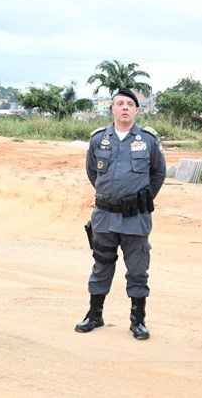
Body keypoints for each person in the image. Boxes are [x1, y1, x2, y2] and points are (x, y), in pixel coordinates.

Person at [75, 88, 166, 340]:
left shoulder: (147, 139)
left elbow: (158, 173)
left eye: (130, 104)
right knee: (101, 265)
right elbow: (93, 172)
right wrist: (111, 195)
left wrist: (141, 199)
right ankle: (95, 314)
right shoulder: (98, 139)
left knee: (137, 268)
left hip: (135, 217)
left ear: (137, 110)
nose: (125, 108)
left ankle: (138, 320)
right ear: (112, 109)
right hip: (104, 216)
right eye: (119, 104)